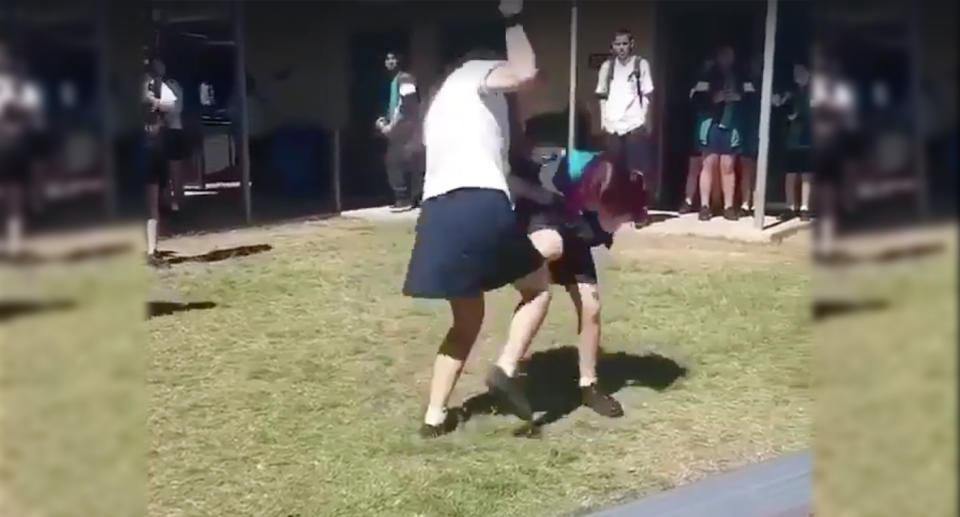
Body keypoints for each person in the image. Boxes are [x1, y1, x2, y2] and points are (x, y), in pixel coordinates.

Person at [403, 0, 549, 438]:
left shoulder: (441, 106)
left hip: (437, 215)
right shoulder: (477, 73)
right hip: (480, 205)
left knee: (466, 319)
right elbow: (525, 72)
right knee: (538, 288)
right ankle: (505, 367)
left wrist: (544, 194)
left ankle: (434, 417)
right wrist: (514, 19)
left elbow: (497, 171)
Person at [594, 28, 654, 220]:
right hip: (613, 125)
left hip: (634, 123)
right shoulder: (607, 67)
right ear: (612, 46)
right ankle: (620, 208)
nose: (621, 48)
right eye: (617, 44)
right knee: (615, 169)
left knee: (636, 170)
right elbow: (602, 95)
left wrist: (645, 118)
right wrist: (603, 120)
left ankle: (639, 210)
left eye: (624, 44)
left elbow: (647, 94)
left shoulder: (640, 64)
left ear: (631, 44)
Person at [695, 44, 755, 221]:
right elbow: (695, 98)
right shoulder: (707, 75)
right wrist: (714, 97)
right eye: (723, 54)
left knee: (728, 165)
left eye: (729, 54)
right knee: (708, 163)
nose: (726, 58)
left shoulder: (742, 75)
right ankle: (705, 206)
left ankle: (729, 207)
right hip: (710, 123)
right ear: (717, 56)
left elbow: (754, 97)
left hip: (732, 124)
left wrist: (739, 97)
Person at [0, 41, 44, 259]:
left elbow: (32, 120)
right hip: (10, 147)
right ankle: (14, 245)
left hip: (13, 149)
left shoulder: (24, 90)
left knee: (14, 199)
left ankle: (15, 246)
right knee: (13, 199)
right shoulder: (17, 89)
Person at [143, 56, 186, 266]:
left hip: (152, 145)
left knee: (152, 200)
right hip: (139, 144)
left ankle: (151, 250)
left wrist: (153, 102)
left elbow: (171, 104)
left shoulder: (161, 86)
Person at [376, 51, 423, 211]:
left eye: (393, 58)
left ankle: (406, 199)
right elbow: (393, 105)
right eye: (387, 58)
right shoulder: (391, 82)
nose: (390, 62)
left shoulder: (406, 79)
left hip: (407, 129)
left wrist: (392, 126)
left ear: (400, 60)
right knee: (396, 162)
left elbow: (406, 105)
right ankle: (407, 198)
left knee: (398, 162)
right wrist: (383, 120)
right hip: (399, 129)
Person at [774, 63, 813, 221]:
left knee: (806, 174)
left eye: (802, 71)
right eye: (796, 72)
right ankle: (790, 207)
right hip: (791, 138)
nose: (798, 75)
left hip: (809, 137)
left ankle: (805, 207)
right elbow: (780, 108)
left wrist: (799, 114)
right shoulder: (790, 92)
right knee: (790, 173)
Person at [679, 58, 715, 213]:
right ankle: (688, 200)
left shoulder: (717, 80)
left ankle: (705, 204)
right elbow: (691, 99)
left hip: (711, 127)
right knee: (694, 167)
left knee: (707, 166)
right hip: (696, 128)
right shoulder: (694, 82)